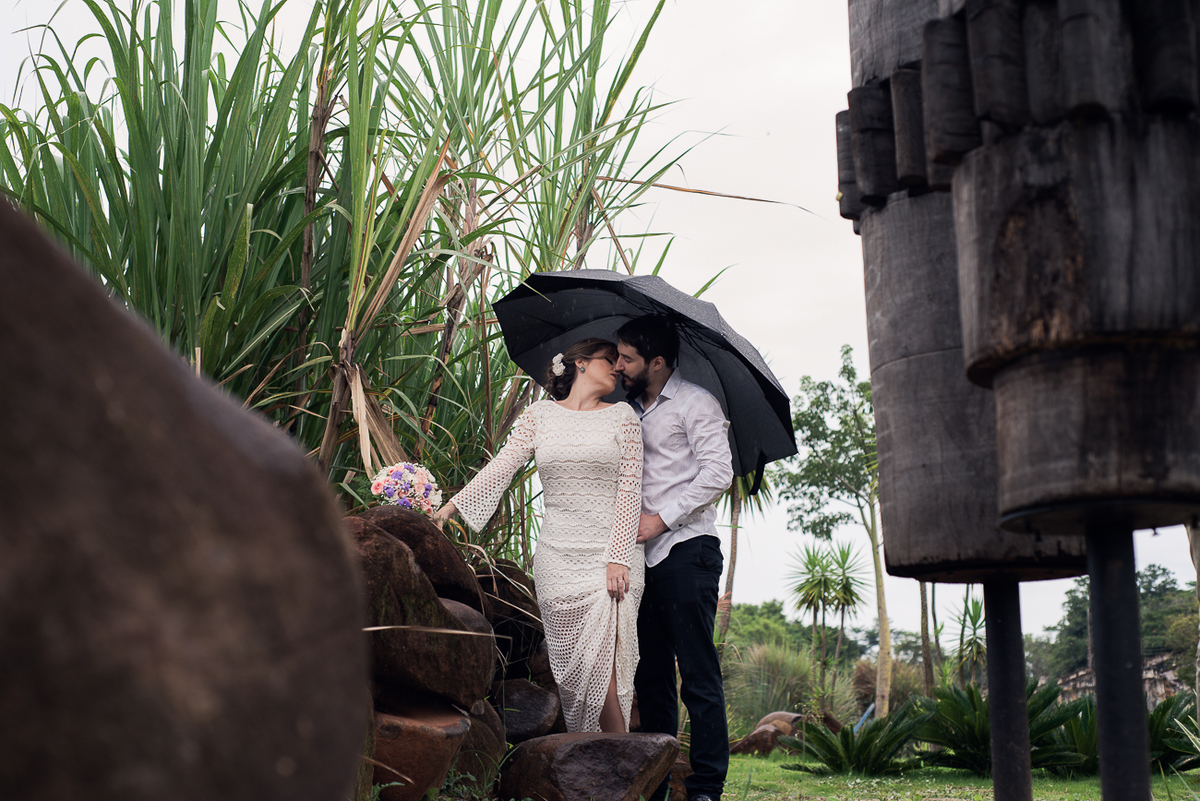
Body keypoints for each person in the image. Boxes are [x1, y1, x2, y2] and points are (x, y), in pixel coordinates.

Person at [432, 338, 643, 733]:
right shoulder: (539, 415)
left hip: (609, 558)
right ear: (581, 363)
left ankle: (621, 758)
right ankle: (601, 757)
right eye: (609, 360)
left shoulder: (623, 417)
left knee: (606, 672)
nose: (618, 367)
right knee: (578, 673)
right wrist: (448, 509)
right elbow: (502, 466)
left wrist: (618, 557)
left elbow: (630, 492)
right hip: (557, 559)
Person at [615, 316, 733, 801]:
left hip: (687, 550)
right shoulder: (625, 412)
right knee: (652, 678)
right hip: (639, 561)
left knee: (698, 674)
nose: (618, 365)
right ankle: (657, 786)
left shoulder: (695, 403)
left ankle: (706, 788)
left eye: (628, 358)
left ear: (658, 362)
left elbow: (719, 472)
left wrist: (661, 520)